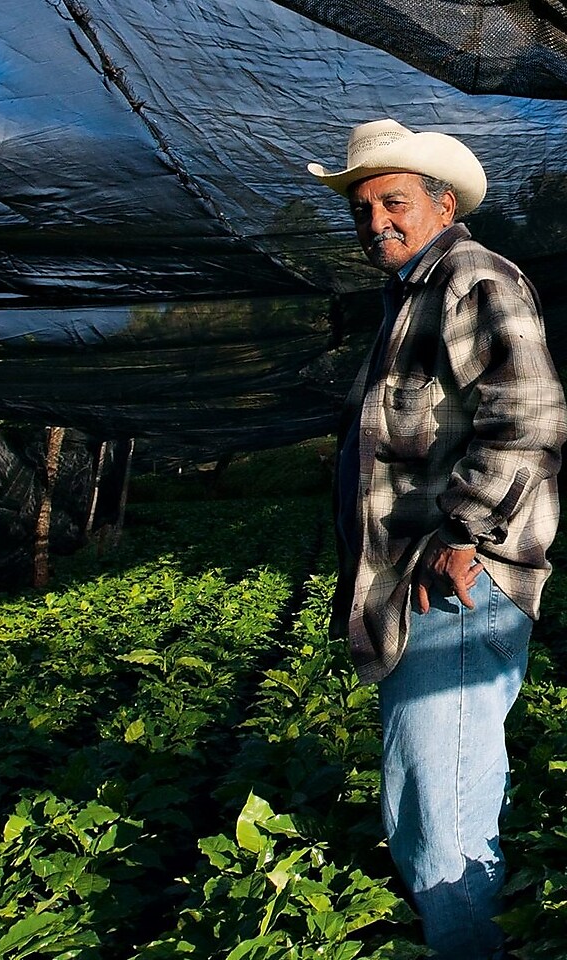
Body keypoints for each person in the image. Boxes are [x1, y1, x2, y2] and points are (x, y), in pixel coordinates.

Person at [306, 119, 567, 958]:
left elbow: (528, 412)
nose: (375, 220)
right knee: (426, 791)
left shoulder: (471, 276)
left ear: (443, 202)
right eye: (362, 207)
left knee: (442, 806)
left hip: (456, 580)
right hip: (418, 582)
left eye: (394, 202)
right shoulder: (409, 297)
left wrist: (463, 534)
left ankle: (471, 949)